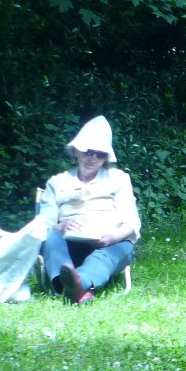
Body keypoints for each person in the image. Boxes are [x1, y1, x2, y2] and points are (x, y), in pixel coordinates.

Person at [38, 115, 140, 305]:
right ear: (76, 151)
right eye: (88, 151)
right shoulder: (57, 182)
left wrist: (113, 237)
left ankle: (77, 283)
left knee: (120, 248)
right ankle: (73, 286)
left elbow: (131, 222)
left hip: (108, 243)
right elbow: (43, 223)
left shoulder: (118, 179)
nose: (93, 158)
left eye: (100, 154)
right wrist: (60, 226)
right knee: (51, 237)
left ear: (106, 158)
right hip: (69, 245)